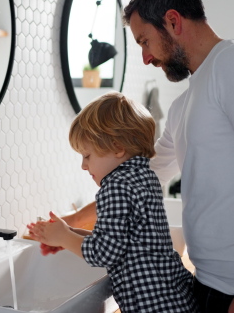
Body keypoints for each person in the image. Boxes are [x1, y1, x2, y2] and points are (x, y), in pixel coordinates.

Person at [54, 0, 234, 312]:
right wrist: (69, 223)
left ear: (173, 21)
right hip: (209, 289)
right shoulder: (183, 106)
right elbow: (138, 177)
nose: (146, 57)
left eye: (145, 41)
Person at [29, 92, 197, 313]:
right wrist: (70, 233)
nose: (83, 165)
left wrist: (64, 237)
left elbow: (105, 253)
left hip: (152, 306)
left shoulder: (116, 186)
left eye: (87, 156)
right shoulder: (145, 177)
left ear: (118, 148)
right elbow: (125, 245)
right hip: (174, 296)